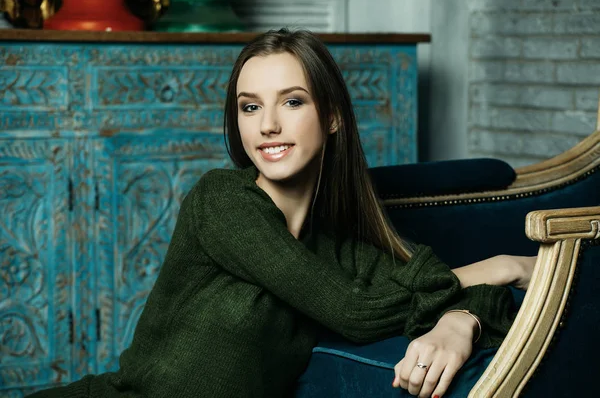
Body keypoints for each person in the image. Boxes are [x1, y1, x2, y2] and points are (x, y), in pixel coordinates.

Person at [28, 28, 535, 398]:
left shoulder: (345, 252)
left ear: (332, 115)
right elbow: (355, 313)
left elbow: (433, 289)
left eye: (292, 101)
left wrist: (459, 320)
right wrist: (499, 265)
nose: (267, 124)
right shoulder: (222, 200)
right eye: (250, 107)